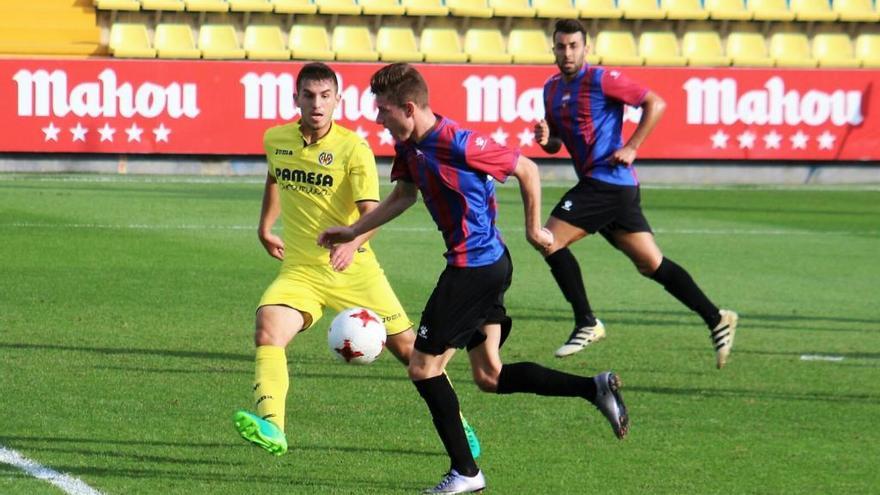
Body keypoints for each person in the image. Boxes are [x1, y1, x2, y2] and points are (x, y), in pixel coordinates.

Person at [318, 63, 628, 495]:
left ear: (409, 108)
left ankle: (465, 472)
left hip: (474, 269)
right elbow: (404, 195)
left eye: (384, 110)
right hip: (484, 267)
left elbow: (527, 169)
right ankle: (593, 388)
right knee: (489, 376)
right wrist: (353, 231)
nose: (378, 118)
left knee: (423, 367)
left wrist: (534, 228)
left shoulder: (458, 141)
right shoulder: (408, 145)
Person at [232, 62, 480, 459]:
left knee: (412, 353)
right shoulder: (275, 139)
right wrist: (265, 226)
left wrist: (351, 243)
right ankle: (272, 426)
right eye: (309, 96)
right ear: (296, 98)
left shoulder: (353, 148)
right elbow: (275, 177)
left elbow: (373, 210)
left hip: (355, 269)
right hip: (300, 269)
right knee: (267, 329)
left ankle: (460, 423)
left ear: (337, 101)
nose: (317, 104)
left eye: (325, 96)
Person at [534, 19, 738, 366]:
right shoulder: (551, 89)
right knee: (650, 264)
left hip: (607, 181)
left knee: (547, 238)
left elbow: (655, 103)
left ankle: (586, 321)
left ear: (587, 48)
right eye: (561, 46)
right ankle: (716, 318)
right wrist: (547, 140)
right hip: (614, 189)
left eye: (574, 46)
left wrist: (632, 146)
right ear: (553, 49)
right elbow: (557, 142)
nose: (567, 52)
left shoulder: (601, 79)